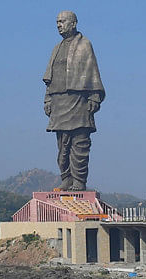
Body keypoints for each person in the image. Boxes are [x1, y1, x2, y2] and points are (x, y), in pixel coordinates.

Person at [43, 10, 105, 191]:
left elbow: (92, 71)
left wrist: (94, 96)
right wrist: (47, 100)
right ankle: (66, 178)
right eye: (57, 22)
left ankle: (79, 180)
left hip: (79, 101)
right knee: (62, 146)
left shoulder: (84, 45)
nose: (59, 25)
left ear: (73, 23)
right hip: (59, 101)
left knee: (79, 143)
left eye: (62, 21)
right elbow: (49, 79)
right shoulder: (56, 48)